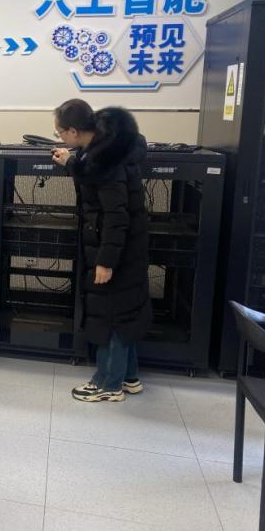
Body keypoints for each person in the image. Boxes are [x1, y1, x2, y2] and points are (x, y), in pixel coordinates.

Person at [51, 99, 151, 402]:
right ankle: (129, 377)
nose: (59, 138)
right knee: (125, 312)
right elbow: (92, 175)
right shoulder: (112, 146)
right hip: (129, 250)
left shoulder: (106, 160)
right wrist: (72, 162)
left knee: (110, 317)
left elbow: (115, 217)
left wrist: (106, 262)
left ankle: (108, 384)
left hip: (116, 252)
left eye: (59, 133)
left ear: (73, 131)